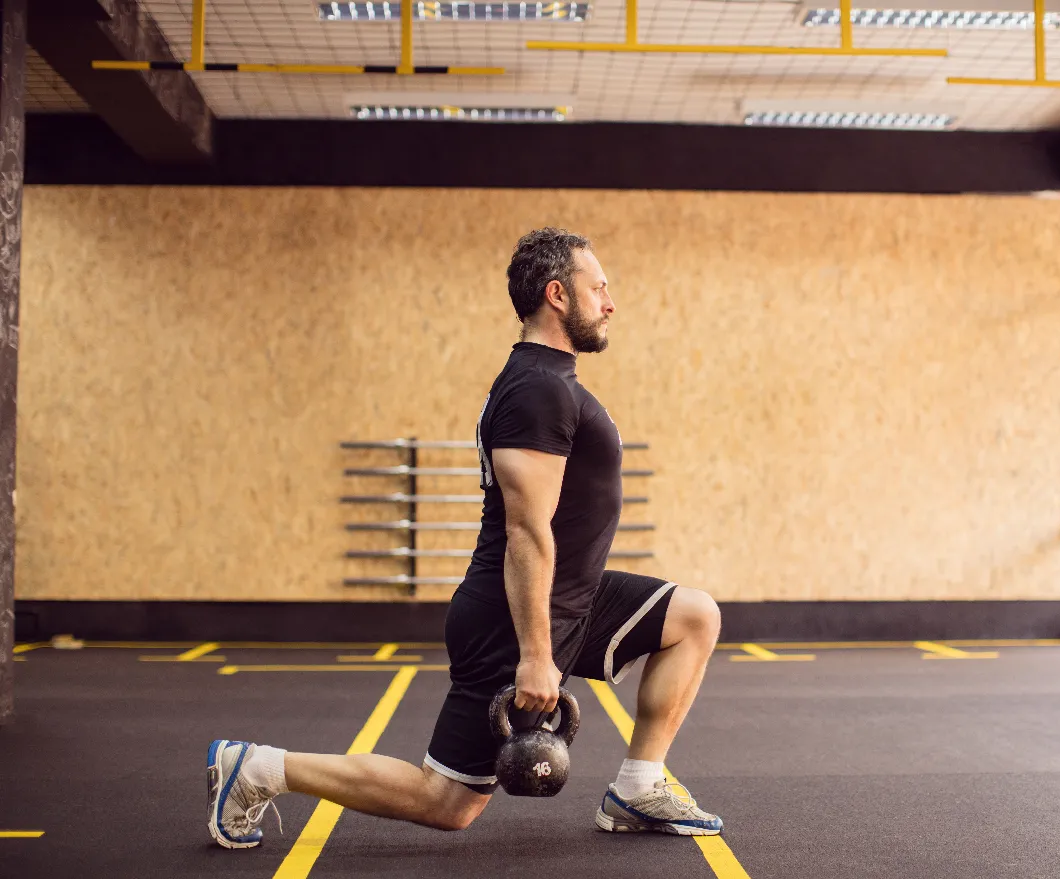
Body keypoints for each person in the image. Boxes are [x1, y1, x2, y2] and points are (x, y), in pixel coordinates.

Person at [206, 227, 724, 848]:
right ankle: (258, 768)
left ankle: (638, 788)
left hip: (573, 601)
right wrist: (536, 656)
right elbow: (526, 531)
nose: (611, 303)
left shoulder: (552, 381)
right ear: (557, 295)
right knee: (447, 802)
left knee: (693, 616)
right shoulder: (536, 390)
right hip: (515, 617)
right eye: (600, 288)